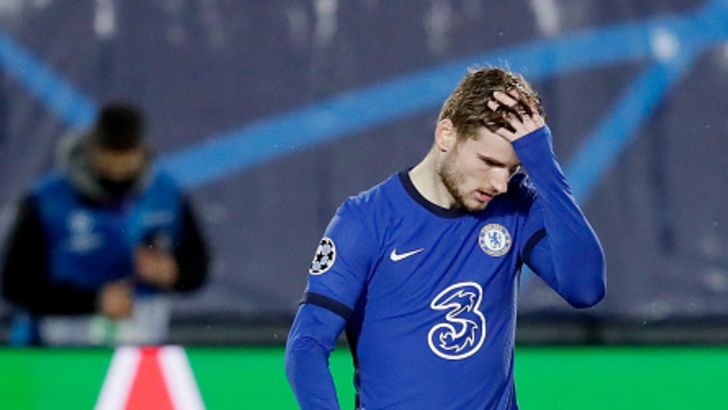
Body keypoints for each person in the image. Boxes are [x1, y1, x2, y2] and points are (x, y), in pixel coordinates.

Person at [285, 67, 606, 409]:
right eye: (488, 161)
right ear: (446, 134)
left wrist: (544, 165)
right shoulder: (365, 221)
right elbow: (307, 345)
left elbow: (585, 289)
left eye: (512, 168)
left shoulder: (517, 205)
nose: (499, 183)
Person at [1, 103, 209, 346]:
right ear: (91, 152)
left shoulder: (167, 194)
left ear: (142, 154)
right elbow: (14, 285)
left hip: (143, 343)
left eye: (126, 165)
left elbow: (198, 267)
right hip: (59, 346)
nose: (117, 175)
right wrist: (93, 301)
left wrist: (173, 272)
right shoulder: (47, 201)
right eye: (108, 165)